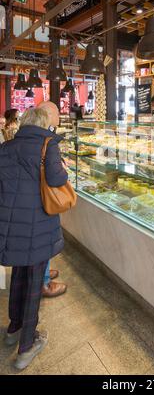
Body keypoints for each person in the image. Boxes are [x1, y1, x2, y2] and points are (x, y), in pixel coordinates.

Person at [0, 103, 68, 370]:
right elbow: (56, 179)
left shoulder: (6, 147)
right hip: (37, 223)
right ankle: (27, 346)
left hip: (11, 225)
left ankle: (13, 330)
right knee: (32, 285)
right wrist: (63, 167)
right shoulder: (47, 145)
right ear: (43, 122)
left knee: (19, 275)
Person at [38, 101, 67, 298]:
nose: (59, 117)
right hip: (43, 196)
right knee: (41, 238)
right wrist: (64, 171)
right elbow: (55, 177)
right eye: (57, 113)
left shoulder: (33, 134)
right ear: (49, 115)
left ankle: (44, 272)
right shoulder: (48, 139)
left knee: (40, 238)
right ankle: (44, 283)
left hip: (32, 194)